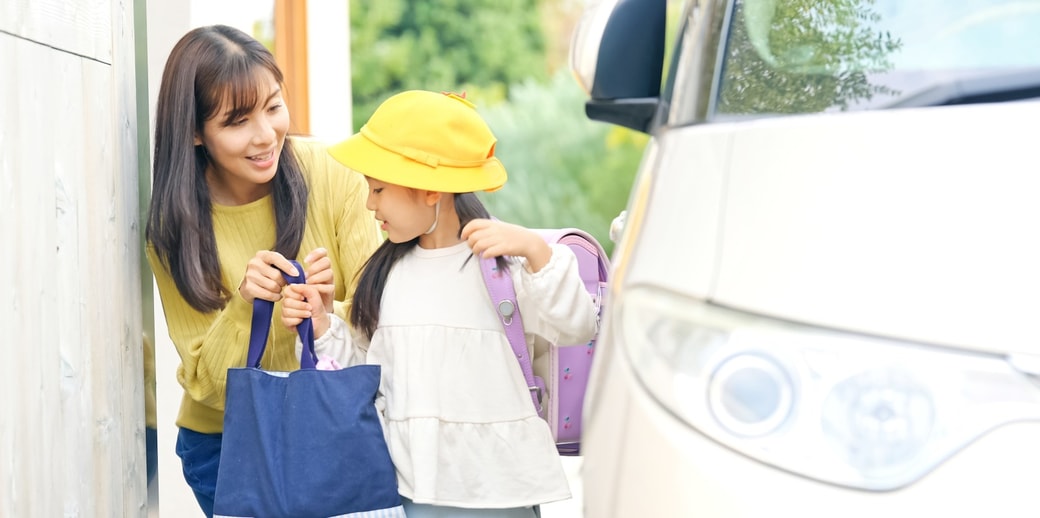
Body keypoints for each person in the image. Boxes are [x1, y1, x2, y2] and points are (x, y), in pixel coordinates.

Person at [279, 90, 599, 517]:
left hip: (498, 492)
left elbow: (577, 326)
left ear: (430, 190)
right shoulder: (385, 273)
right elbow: (363, 368)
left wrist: (535, 249)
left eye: (378, 189)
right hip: (409, 489)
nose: (370, 204)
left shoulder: (500, 266)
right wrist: (320, 325)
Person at [144, 24, 382, 517]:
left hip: (331, 423)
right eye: (237, 121)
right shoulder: (174, 229)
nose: (265, 135)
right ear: (194, 131)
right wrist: (244, 308)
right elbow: (205, 385)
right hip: (228, 446)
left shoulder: (334, 173)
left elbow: (381, 320)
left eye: (273, 107)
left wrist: (324, 313)